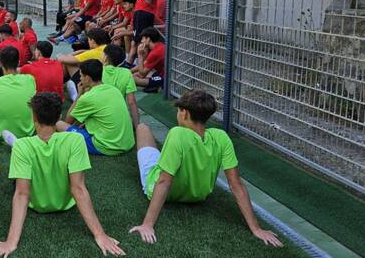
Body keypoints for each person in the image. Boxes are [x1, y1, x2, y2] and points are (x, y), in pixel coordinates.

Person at [129, 90, 283, 248]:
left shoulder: (177, 134)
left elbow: (163, 182)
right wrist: (256, 229)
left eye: (178, 110)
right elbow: (236, 185)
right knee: (166, 157)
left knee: (142, 128)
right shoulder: (221, 137)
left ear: (185, 113)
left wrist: (147, 224)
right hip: (198, 196)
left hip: (161, 190)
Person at [0, 93, 126, 258]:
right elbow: (78, 188)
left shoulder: (24, 147)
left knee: (20, 151)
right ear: (59, 117)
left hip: (35, 203)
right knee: (24, 152)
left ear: (33, 117)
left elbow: (22, 194)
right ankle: (14, 142)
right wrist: (100, 235)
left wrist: (11, 242)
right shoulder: (76, 140)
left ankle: (14, 142)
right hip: (66, 203)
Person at [56, 59, 135, 156]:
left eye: (81, 75)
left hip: (107, 146)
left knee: (59, 124)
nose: (80, 79)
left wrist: (79, 94)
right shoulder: (114, 89)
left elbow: (68, 121)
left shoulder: (88, 98)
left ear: (88, 78)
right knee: (83, 122)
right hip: (128, 143)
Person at [56, 28, 110, 100]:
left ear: (93, 41)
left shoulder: (92, 53)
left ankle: (59, 87)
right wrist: (81, 51)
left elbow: (62, 59)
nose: (88, 42)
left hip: (95, 81)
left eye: (88, 40)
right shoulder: (107, 47)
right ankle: (60, 86)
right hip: (104, 78)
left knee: (68, 63)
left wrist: (59, 55)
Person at [102, 44, 139, 129]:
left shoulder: (98, 70)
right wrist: (137, 126)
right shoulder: (126, 73)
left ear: (106, 57)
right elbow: (131, 101)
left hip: (100, 114)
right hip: (120, 116)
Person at [133, 27, 165, 92]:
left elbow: (142, 74)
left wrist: (140, 55)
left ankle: (157, 85)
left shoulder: (155, 53)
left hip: (165, 79)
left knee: (133, 78)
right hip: (162, 74)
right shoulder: (160, 45)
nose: (141, 41)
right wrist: (127, 71)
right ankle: (155, 85)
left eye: (143, 38)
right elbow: (144, 65)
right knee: (135, 74)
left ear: (148, 39)